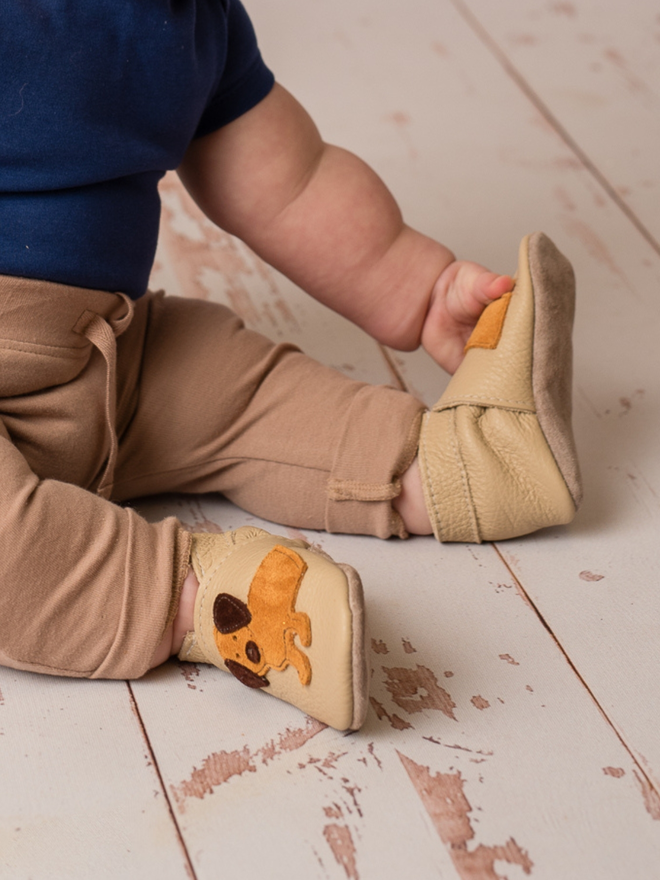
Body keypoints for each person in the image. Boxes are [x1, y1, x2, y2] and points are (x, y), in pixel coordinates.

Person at [0, 1, 581, 730]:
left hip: (113, 360)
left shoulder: (187, 22)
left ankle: (456, 467)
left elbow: (291, 182)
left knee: (238, 383)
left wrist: (422, 289)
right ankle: (210, 601)